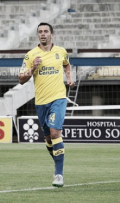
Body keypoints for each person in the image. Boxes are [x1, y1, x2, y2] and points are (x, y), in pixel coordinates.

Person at [19, 22, 75, 187]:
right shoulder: (30, 55)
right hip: (41, 102)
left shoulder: (61, 51)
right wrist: (33, 68)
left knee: (55, 131)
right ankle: (58, 160)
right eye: (40, 32)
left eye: (46, 31)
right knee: (49, 138)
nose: (43, 34)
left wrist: (69, 78)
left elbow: (66, 64)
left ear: (52, 34)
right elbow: (21, 79)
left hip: (58, 98)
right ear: (38, 35)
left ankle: (59, 174)